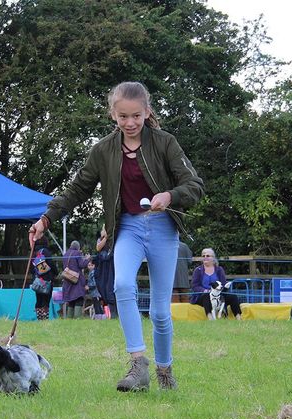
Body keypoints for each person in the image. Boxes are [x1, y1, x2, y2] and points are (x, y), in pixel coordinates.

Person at [30, 81, 204, 391]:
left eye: (136, 116)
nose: (130, 123)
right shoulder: (103, 150)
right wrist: (46, 218)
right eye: (123, 116)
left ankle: (165, 372)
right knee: (122, 284)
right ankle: (138, 365)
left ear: (147, 112)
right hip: (127, 228)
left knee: (161, 313)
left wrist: (170, 195)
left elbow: (194, 186)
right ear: (113, 114)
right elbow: (77, 189)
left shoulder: (165, 143)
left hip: (163, 228)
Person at [190, 247, 242, 320]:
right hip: (203, 296)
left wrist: (224, 287)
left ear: (213, 258)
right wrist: (206, 291)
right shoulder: (197, 270)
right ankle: (210, 318)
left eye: (207, 256)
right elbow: (195, 286)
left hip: (218, 296)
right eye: (203, 256)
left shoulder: (219, 269)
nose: (205, 257)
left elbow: (223, 284)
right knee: (206, 296)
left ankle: (239, 318)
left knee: (233, 297)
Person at [30, 236, 58, 320]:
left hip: (37, 280)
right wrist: (56, 272)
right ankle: (45, 319)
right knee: (46, 301)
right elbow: (51, 264)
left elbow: (32, 268)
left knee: (39, 300)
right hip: (47, 280)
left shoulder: (34, 253)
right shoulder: (45, 252)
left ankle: (39, 318)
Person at [61, 241, 90, 318]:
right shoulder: (77, 253)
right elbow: (82, 265)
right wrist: (87, 259)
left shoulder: (65, 254)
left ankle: (69, 319)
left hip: (67, 280)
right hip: (76, 281)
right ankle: (77, 318)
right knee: (78, 298)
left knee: (71, 301)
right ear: (78, 247)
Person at [94, 226, 118, 318]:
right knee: (106, 289)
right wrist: (105, 238)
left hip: (112, 266)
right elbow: (98, 248)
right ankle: (113, 315)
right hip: (103, 269)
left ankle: (117, 315)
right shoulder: (100, 239)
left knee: (112, 288)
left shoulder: (114, 239)